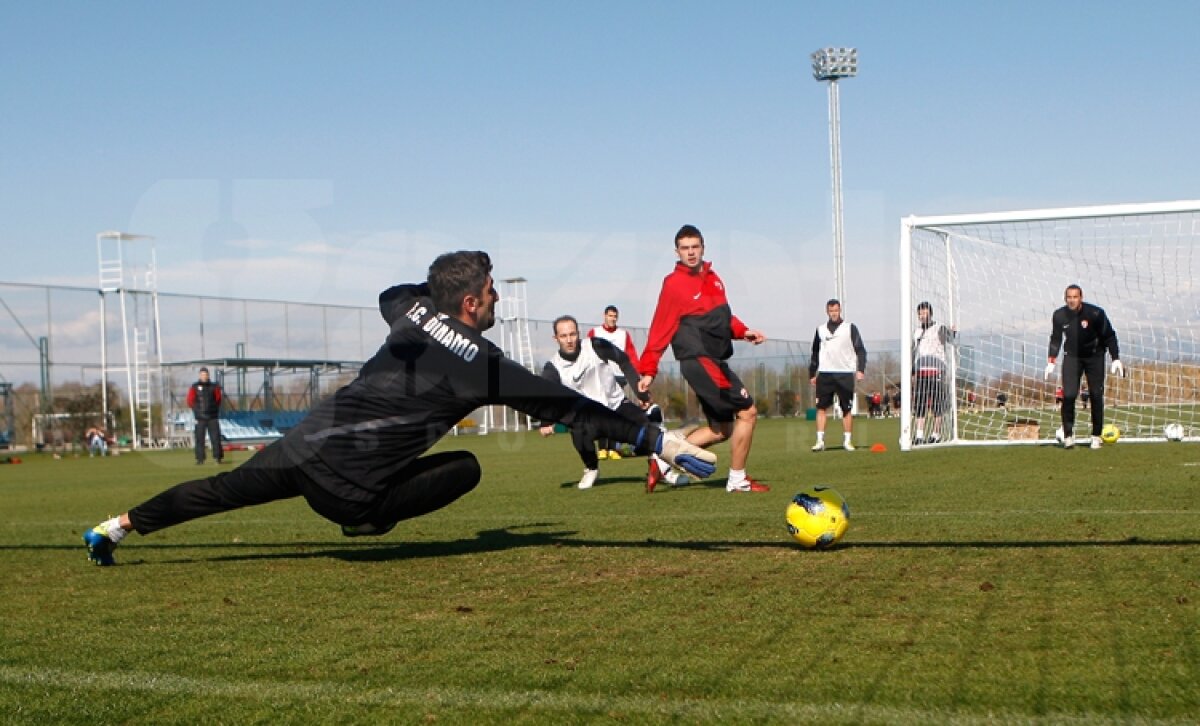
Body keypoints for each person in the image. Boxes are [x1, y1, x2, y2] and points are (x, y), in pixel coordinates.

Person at [81, 251, 717, 566]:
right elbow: (574, 407)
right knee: (467, 467)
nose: (497, 299)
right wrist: (657, 441)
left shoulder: (409, 311)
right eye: (490, 291)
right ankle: (366, 524)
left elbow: (397, 291)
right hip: (351, 496)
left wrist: (436, 294)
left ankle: (116, 527)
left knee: (218, 490)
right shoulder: (484, 365)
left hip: (304, 450)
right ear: (471, 303)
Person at [637, 224, 769, 493]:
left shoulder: (714, 278)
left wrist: (743, 331)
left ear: (703, 248)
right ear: (677, 251)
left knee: (721, 429)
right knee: (748, 412)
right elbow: (660, 327)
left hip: (715, 360)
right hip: (699, 359)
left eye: (695, 247)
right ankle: (738, 479)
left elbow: (722, 318)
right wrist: (649, 369)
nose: (690, 253)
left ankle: (661, 463)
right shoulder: (673, 284)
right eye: (685, 248)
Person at [538, 315, 685, 490]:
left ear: (578, 333)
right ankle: (591, 469)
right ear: (556, 338)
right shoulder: (553, 367)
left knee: (651, 428)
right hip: (591, 418)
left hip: (617, 406)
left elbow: (623, 360)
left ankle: (664, 470)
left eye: (572, 334)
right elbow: (546, 396)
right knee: (577, 431)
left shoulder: (596, 345)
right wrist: (545, 422)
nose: (569, 340)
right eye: (563, 336)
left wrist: (640, 394)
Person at [1045, 284, 1123, 450]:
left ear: (1081, 298)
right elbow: (1056, 338)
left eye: (1075, 297)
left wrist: (1115, 358)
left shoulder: (1095, 313)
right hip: (1072, 357)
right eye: (1069, 297)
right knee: (1069, 394)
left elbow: (1109, 335)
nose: (1072, 300)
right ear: (1065, 299)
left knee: (1095, 394)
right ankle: (1068, 436)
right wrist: (1051, 360)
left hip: (1095, 356)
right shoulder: (1059, 316)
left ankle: (1096, 436)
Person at [809, 299, 867, 452]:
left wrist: (860, 369)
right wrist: (812, 373)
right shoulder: (820, 330)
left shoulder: (850, 328)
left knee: (846, 408)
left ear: (840, 310)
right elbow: (814, 352)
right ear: (827, 311)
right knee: (821, 407)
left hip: (845, 373)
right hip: (825, 373)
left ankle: (847, 441)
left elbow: (860, 350)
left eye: (836, 310)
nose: (834, 313)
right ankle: (820, 441)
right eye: (831, 311)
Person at [587, 305, 643, 460]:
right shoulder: (595, 333)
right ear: (604, 316)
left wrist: (638, 376)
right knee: (601, 411)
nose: (612, 319)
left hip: (618, 376)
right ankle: (602, 448)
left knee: (615, 411)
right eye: (610, 316)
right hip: (599, 377)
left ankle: (612, 448)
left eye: (615, 316)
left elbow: (631, 356)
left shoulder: (623, 334)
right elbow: (587, 353)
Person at [911, 301, 955, 445]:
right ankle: (919, 435)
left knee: (937, 405)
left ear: (930, 313)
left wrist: (952, 332)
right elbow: (914, 351)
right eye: (920, 313)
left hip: (937, 371)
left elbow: (949, 338)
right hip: (921, 372)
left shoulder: (938, 328)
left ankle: (936, 434)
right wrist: (913, 371)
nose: (922, 316)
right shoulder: (917, 332)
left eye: (925, 313)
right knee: (920, 405)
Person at [187, 367, 224, 465]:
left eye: (206, 374)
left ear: (208, 375)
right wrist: (196, 410)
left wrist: (214, 409)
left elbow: (218, 399)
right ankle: (200, 459)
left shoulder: (214, 387)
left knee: (215, 438)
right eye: (202, 374)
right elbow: (190, 401)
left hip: (212, 417)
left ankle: (217, 458)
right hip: (200, 418)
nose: (204, 376)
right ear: (200, 375)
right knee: (200, 439)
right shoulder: (194, 387)